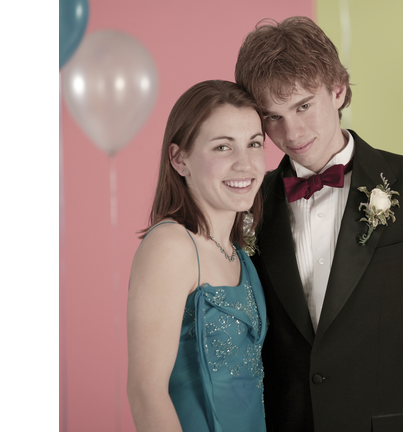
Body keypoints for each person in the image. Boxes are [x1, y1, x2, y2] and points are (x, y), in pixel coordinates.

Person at [234, 16, 403, 432]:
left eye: (303, 105)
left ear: (338, 90)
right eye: (272, 116)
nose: (291, 132)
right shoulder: (249, 205)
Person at [126, 80, 268, 432]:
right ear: (179, 159)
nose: (245, 163)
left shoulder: (239, 254)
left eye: (254, 144)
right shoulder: (172, 246)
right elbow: (146, 391)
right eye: (223, 147)